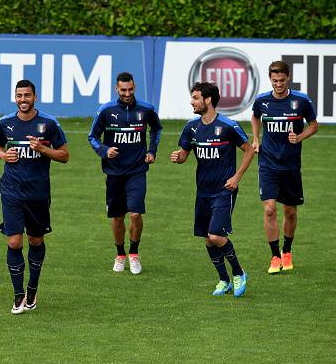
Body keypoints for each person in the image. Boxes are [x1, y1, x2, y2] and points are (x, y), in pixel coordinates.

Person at [170, 82, 254, 297]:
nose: (192, 101)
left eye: (196, 97)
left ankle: (238, 272)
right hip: (203, 192)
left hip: (224, 190)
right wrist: (178, 158)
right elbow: (184, 154)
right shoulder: (191, 127)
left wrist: (237, 177)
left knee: (216, 235)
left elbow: (249, 150)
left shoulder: (228, 126)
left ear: (208, 100)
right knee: (208, 239)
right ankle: (224, 280)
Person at [0, 79, 69, 314]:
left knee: (35, 241)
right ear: (14, 97)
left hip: (38, 194)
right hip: (11, 191)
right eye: (19, 96)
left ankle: (32, 289)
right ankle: (18, 296)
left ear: (35, 97)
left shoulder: (48, 124)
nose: (23, 100)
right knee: (14, 242)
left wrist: (43, 149)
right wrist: (4, 155)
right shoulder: (5, 123)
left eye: (27, 95)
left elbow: (65, 155)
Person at [88, 72, 162, 274]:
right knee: (118, 216)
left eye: (130, 90)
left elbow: (156, 129)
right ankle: (120, 254)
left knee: (136, 214)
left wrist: (151, 151)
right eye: (123, 90)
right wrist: (105, 151)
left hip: (137, 170)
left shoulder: (146, 109)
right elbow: (92, 137)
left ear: (134, 87)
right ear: (116, 89)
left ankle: (134, 253)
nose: (127, 93)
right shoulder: (106, 110)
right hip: (114, 172)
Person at [251, 61, 318, 274]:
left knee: (289, 211)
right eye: (274, 80)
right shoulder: (262, 101)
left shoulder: (301, 100)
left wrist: (299, 137)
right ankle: (274, 256)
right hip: (268, 163)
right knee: (269, 208)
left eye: (281, 80)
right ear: (270, 79)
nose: (278, 84)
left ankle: (287, 251)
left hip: (290, 165)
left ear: (287, 78)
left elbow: (314, 126)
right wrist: (255, 139)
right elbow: (255, 116)